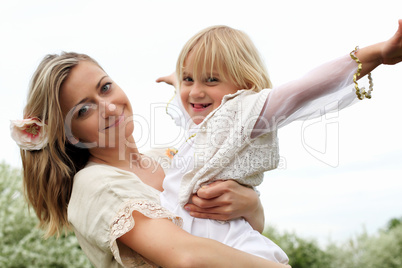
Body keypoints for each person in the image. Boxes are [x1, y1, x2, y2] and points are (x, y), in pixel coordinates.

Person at [10, 52, 292, 268]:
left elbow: (238, 233)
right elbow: (185, 256)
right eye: (84, 109)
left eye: (105, 87)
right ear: (67, 133)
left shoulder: (168, 158)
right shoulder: (95, 184)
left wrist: (251, 206)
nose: (108, 107)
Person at [157, 20, 402, 263]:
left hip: (231, 247)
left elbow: (305, 88)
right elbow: (192, 97)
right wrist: (179, 80)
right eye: (188, 79)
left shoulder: (243, 112)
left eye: (211, 79)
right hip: (193, 246)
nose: (195, 91)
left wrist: (377, 53)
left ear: (245, 83)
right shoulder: (200, 127)